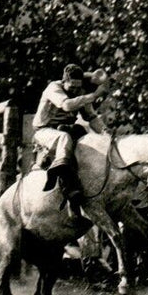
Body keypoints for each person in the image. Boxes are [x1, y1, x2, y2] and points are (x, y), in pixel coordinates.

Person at [33, 63, 108, 221]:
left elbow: (91, 117)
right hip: (45, 131)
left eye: (77, 86)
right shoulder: (53, 88)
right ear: (64, 80)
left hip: (66, 128)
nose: (74, 90)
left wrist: (105, 133)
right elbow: (66, 105)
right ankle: (61, 174)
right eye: (71, 86)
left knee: (87, 142)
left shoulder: (80, 92)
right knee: (64, 138)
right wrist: (94, 95)